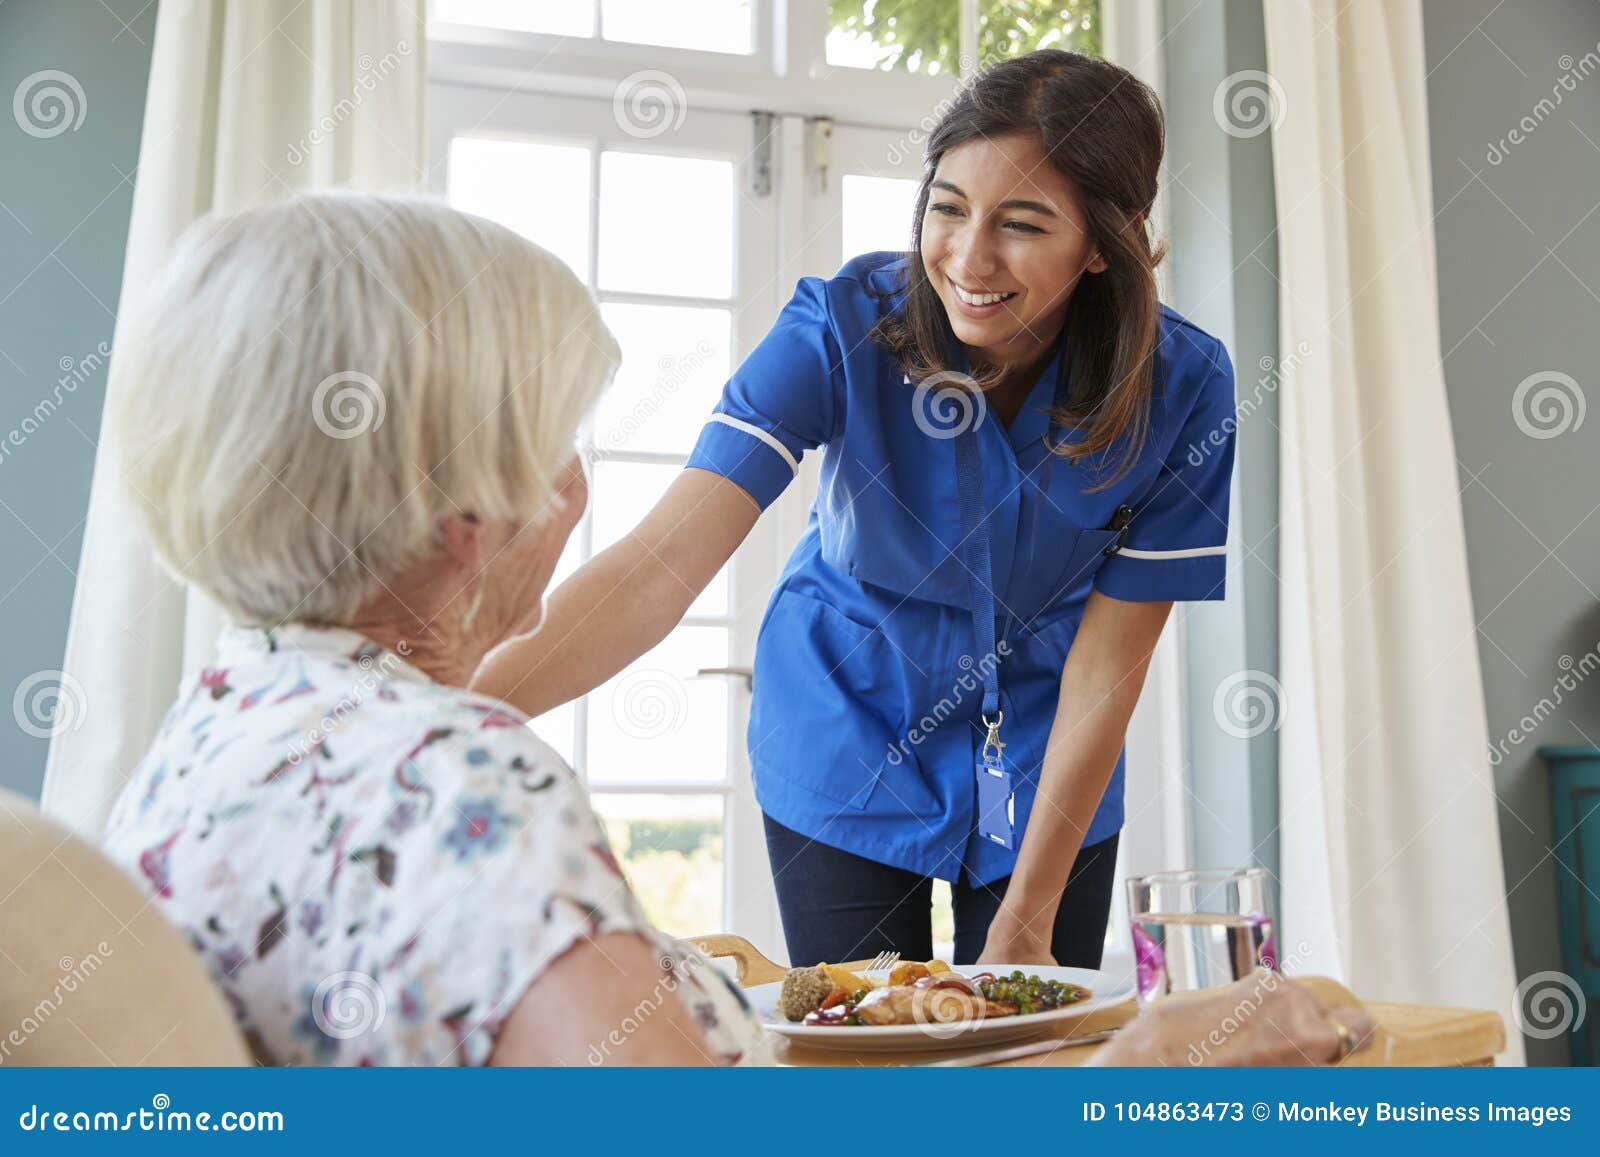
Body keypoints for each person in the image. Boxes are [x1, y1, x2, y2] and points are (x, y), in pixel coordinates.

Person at [474, 49, 1238, 970]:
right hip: (845, 729)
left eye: (1024, 224)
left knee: (1028, 1060)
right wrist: (444, 710)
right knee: (866, 1062)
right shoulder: (840, 326)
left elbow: (1109, 663)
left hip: (1048, 754)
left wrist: (1030, 910)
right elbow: (654, 570)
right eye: (948, 208)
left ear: (1104, 243)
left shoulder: (1183, 387)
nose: (970, 257)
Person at [98, 192, 768, 1066]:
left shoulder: (203, 736)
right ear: (472, 510)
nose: (574, 485)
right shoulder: (460, 781)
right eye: (558, 440)